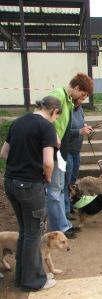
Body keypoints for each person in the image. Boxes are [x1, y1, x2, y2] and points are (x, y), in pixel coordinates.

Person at [0, 97, 61, 291]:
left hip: (10, 182)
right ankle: (34, 281)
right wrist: (48, 177)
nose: (55, 121)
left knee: (26, 232)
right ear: (54, 111)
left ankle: (22, 277)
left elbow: (4, 153)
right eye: (56, 117)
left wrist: (22, 161)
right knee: (34, 234)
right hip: (30, 186)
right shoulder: (46, 127)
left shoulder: (18, 121)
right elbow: (48, 162)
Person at [46, 73, 94, 239]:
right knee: (54, 191)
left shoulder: (68, 101)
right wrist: (53, 138)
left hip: (62, 152)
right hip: (53, 151)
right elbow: (44, 120)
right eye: (83, 95)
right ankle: (58, 228)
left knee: (59, 189)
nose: (83, 98)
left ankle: (63, 226)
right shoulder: (58, 95)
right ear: (77, 88)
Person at [64, 97, 93, 220]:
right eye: (80, 98)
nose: (82, 101)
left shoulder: (79, 108)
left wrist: (86, 127)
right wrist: (79, 131)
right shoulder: (66, 110)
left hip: (77, 150)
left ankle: (71, 204)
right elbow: (62, 132)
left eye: (84, 98)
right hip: (67, 151)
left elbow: (81, 123)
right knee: (65, 182)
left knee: (73, 180)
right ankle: (65, 211)